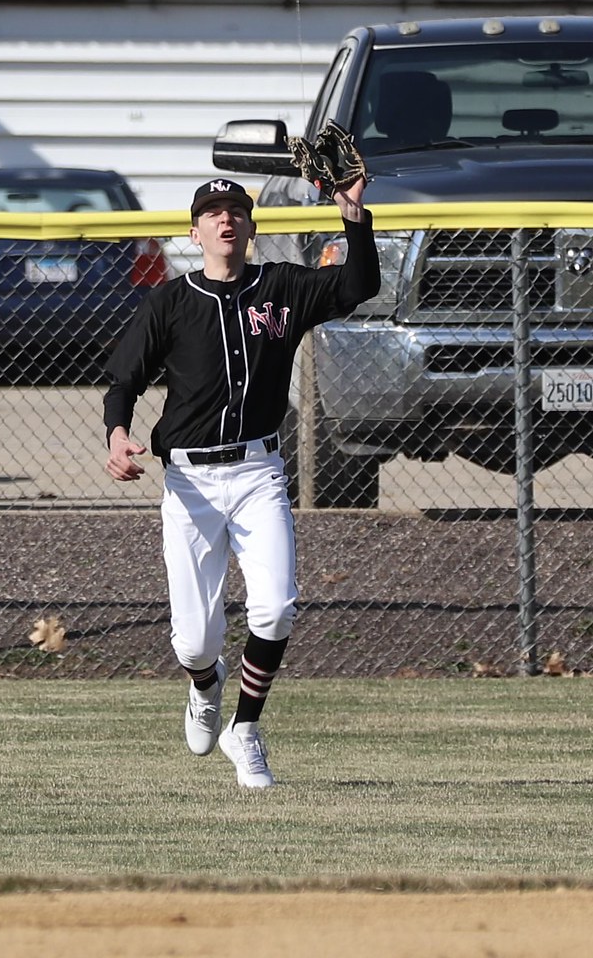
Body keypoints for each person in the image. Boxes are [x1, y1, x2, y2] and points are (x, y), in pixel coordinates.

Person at [102, 173, 380, 788]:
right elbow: (123, 381)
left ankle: (245, 729)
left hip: (258, 471)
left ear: (252, 227)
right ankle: (205, 684)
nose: (225, 219)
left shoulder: (280, 288)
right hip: (190, 483)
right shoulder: (170, 302)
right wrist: (117, 435)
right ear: (194, 231)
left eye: (236, 211)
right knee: (195, 644)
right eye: (212, 212)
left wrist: (354, 217)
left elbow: (358, 286)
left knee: (275, 609)